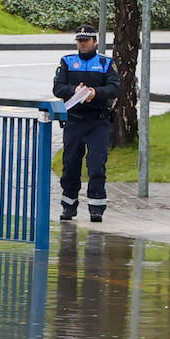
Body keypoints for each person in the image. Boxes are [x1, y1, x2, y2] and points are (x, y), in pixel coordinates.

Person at [53, 24, 121, 221]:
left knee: (97, 165)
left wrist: (94, 93)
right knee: (70, 165)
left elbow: (114, 88)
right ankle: (69, 205)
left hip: (97, 121)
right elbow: (58, 88)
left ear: (94, 42)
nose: (81, 45)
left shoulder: (105, 63)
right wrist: (74, 91)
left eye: (85, 41)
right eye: (79, 41)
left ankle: (96, 207)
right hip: (74, 121)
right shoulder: (67, 62)